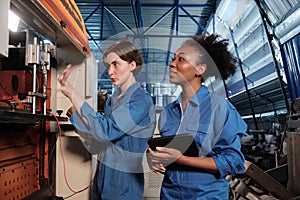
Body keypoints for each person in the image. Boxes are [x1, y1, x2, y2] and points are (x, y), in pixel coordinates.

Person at [147, 33, 247, 199]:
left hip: (206, 196)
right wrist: (155, 157)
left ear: (200, 69)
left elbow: (233, 161)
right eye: (173, 59)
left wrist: (182, 159)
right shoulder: (168, 112)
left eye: (181, 59)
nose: (172, 64)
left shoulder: (220, 108)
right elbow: (169, 152)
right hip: (169, 195)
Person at [57, 39, 156, 200]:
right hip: (102, 177)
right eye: (108, 66)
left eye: (116, 64)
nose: (110, 71)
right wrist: (76, 117)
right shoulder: (112, 100)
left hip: (124, 182)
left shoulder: (141, 101)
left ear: (132, 66)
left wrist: (72, 94)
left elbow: (106, 131)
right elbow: (99, 141)